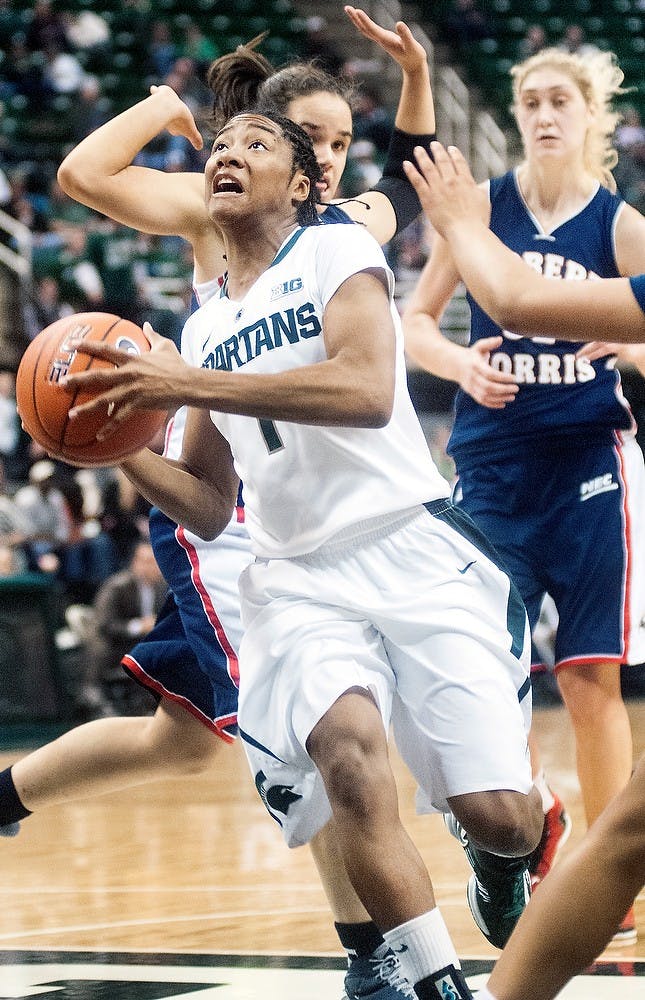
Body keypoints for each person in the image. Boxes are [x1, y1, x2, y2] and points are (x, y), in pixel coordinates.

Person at [3, 12, 455, 1000]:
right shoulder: (212, 212)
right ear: (268, 146)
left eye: (343, 141)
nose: (334, 157)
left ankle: (3, 792)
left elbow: (416, 166)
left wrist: (415, 73)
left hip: (320, 513)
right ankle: (370, 953)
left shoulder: (351, 224)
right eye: (316, 139)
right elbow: (82, 175)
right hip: (226, 508)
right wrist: (164, 109)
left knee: (177, 736)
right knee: (307, 721)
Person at [59, 105, 539, 1000]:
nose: (227, 155)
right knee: (348, 759)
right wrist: (112, 447)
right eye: (219, 145)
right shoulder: (202, 328)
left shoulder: (335, 255)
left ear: (306, 182)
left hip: (410, 545)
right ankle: (431, 980)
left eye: (256, 144)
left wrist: (180, 380)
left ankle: (503, 857)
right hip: (296, 578)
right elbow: (205, 505)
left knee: (502, 818)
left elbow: (362, 389)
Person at [402, 46, 645, 942]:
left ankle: (610, 879)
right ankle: (527, 831)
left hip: (588, 462)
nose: (544, 115)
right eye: (531, 102)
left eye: (560, 102)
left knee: (589, 674)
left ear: (590, 117)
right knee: (483, 670)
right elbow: (416, 322)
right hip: (493, 465)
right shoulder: (484, 210)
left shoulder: (620, 227)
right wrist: (460, 360)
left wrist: (624, 348)